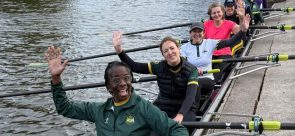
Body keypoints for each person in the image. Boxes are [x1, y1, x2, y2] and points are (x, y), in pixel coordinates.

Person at [45, 46, 189, 136]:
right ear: (108, 86)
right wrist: (56, 77)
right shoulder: (98, 110)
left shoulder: (144, 108)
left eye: (126, 78)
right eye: (116, 80)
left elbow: (177, 130)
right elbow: (64, 108)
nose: (122, 84)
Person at [112, 33, 199, 124]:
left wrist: (180, 115)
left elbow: (190, 96)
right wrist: (119, 51)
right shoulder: (158, 66)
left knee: (176, 129)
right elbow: (134, 67)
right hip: (163, 105)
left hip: (185, 109)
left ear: (178, 49)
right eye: (165, 51)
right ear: (163, 55)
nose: (170, 52)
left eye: (172, 48)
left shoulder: (192, 70)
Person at [181, 13, 250, 89]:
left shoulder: (210, 43)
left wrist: (243, 31)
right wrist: (193, 70)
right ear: (190, 33)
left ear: (204, 33)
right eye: (194, 31)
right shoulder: (184, 47)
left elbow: (229, 42)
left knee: (195, 83)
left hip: (207, 79)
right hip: (191, 78)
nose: (197, 34)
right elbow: (181, 63)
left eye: (199, 31)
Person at [204, 2, 247, 84]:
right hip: (210, 53)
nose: (216, 15)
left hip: (224, 53)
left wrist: (241, 18)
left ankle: (213, 84)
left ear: (223, 12)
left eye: (218, 12)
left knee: (217, 71)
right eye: (214, 13)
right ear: (211, 15)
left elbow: (240, 33)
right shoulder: (206, 24)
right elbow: (200, 40)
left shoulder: (229, 23)